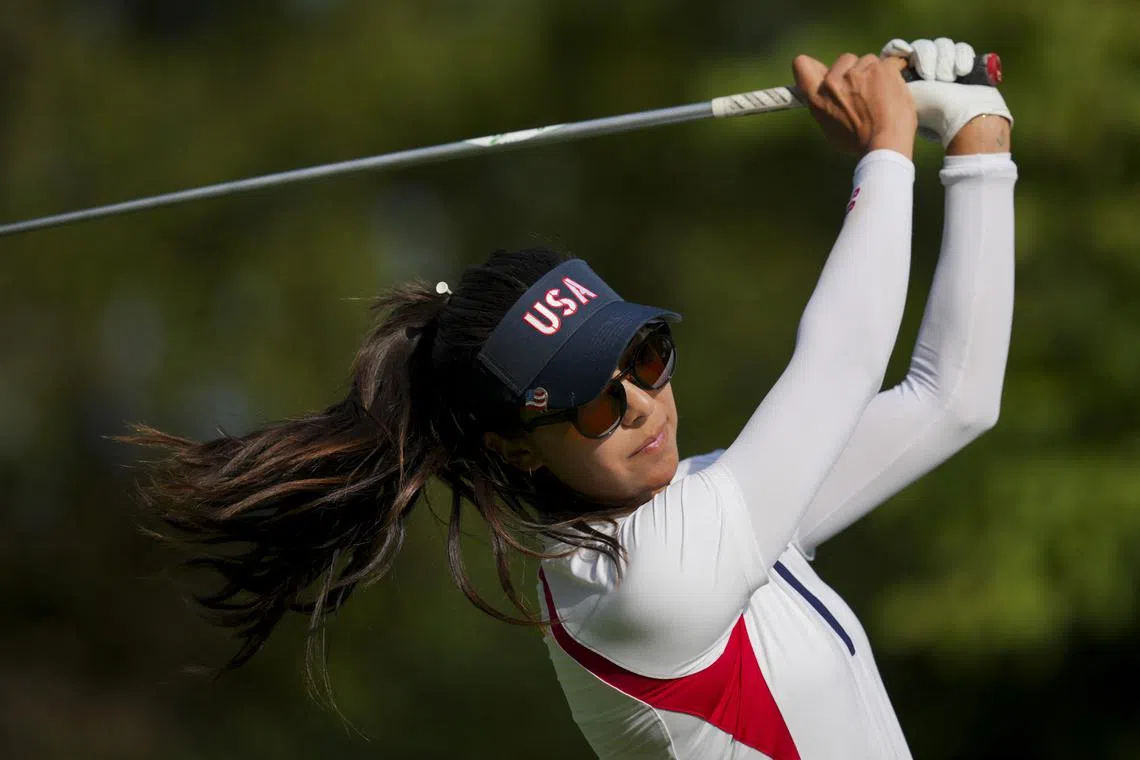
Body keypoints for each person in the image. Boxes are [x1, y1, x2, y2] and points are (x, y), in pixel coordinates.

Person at [128, 37, 1016, 760]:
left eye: (644, 356)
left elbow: (952, 397)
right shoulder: (643, 581)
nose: (638, 403)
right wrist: (887, 148)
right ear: (517, 445)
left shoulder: (712, 512)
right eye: (593, 401)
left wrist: (978, 135)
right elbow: (841, 362)